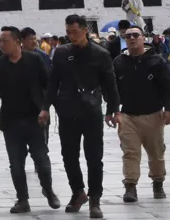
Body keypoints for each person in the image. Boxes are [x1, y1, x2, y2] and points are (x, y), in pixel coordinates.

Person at [46, 14, 119, 219]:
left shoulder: (100, 54)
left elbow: (110, 84)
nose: (71, 36)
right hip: (67, 111)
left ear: (85, 30)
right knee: (69, 156)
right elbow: (53, 82)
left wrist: (114, 110)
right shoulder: (60, 52)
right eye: (68, 32)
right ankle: (78, 192)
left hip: (92, 111)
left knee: (94, 157)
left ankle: (95, 198)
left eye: (75, 32)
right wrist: (45, 107)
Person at [0, 26, 59, 213]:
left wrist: (46, 108)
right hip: (10, 121)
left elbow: (48, 84)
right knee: (16, 163)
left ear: (17, 41)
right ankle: (22, 199)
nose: (1, 44)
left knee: (41, 159)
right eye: (0, 41)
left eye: (5, 41)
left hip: (35, 119)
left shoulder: (35, 60)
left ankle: (49, 190)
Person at [114, 23, 170, 203]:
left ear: (143, 38)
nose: (132, 38)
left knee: (156, 152)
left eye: (136, 35)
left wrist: (169, 109)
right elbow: (112, 88)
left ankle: (158, 182)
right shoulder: (118, 62)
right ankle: (130, 186)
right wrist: (112, 110)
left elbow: (167, 86)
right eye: (128, 36)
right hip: (127, 115)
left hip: (153, 113)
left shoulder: (157, 61)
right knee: (130, 151)